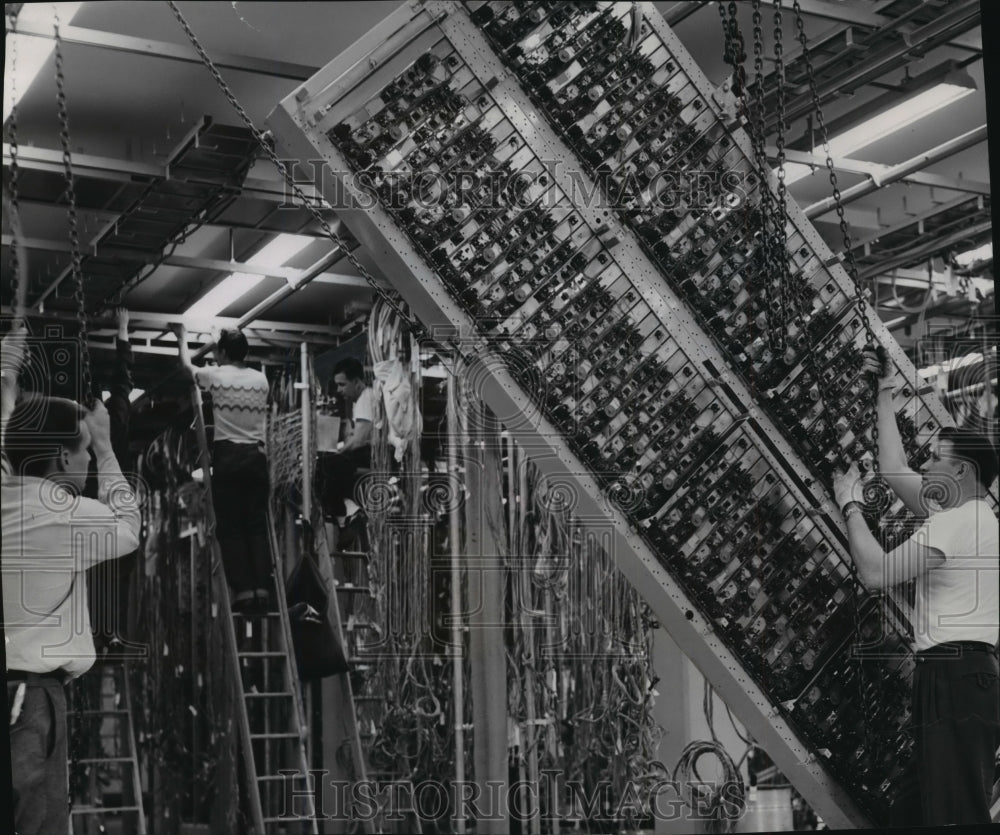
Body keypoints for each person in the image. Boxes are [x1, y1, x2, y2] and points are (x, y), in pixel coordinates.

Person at [832, 348, 1000, 827]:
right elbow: (893, 468)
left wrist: (851, 506)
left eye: (935, 460)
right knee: (911, 811)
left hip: (955, 679)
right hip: (961, 678)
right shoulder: (974, 517)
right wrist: (885, 392)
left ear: (961, 473)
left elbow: (876, 573)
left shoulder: (952, 526)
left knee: (956, 819)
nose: (925, 468)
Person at [2, 391, 141, 835]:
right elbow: (128, 526)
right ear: (63, 456)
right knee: (37, 823)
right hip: (29, 698)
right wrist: (106, 447)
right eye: (83, 453)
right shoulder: (61, 515)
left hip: (21, 694)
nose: (88, 464)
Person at [179, 327, 272, 612]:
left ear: (221, 353)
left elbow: (186, 367)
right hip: (257, 457)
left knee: (230, 526)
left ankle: (243, 591)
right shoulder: (261, 380)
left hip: (229, 457)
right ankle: (261, 588)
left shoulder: (216, 376)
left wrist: (180, 337)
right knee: (255, 525)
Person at [85, 308, 139, 653]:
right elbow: (124, 377)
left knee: (96, 569)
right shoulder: (116, 414)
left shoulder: (82, 426)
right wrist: (123, 329)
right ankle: (108, 631)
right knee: (115, 570)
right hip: (114, 500)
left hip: (92, 501)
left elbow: (122, 380)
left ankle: (98, 630)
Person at [317, 357, 373, 527]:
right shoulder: (361, 400)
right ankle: (347, 511)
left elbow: (359, 440)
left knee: (329, 464)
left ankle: (341, 518)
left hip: (372, 453)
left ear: (356, 382)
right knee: (326, 468)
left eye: (343, 385)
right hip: (366, 452)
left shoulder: (366, 398)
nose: (339, 390)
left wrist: (337, 451)